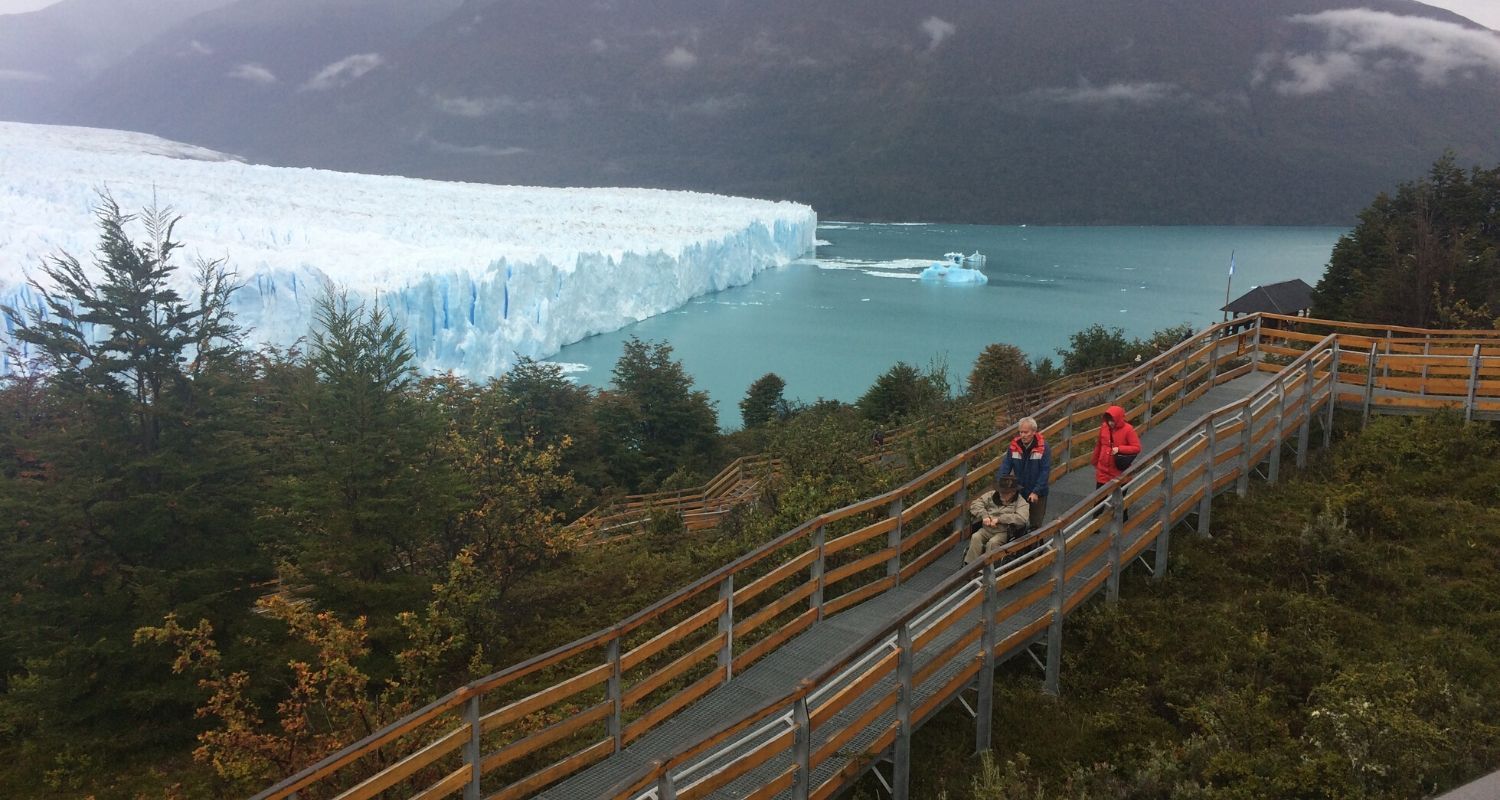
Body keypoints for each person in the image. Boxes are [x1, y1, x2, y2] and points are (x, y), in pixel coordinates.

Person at [963, 474, 1029, 565]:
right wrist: (984, 515)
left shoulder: (1021, 502)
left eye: (1006, 492)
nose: (1002, 494)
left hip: (1003, 532)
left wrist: (1000, 519)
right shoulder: (991, 495)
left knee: (992, 543)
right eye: (1001, 491)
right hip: (986, 529)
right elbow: (975, 504)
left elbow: (1022, 518)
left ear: (1013, 492)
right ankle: (970, 566)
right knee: (975, 537)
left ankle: (987, 569)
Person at [998, 416, 1050, 531]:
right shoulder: (1014, 446)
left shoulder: (1043, 447)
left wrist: (1036, 491)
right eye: (1021, 432)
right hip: (1020, 490)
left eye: (1026, 432)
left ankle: (1038, 546)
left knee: (1035, 524)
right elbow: (1005, 466)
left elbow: (1044, 471)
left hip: (1038, 492)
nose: (1023, 435)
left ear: (1033, 432)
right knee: (1018, 522)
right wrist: (1001, 486)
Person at [1093, 404, 1141, 488]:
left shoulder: (1128, 429)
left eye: (1113, 420)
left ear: (1118, 419)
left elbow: (1137, 448)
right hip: (1103, 471)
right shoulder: (1104, 427)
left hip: (1119, 471)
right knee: (1099, 500)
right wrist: (1095, 461)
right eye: (1108, 420)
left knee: (1118, 499)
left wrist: (1119, 449)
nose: (1110, 423)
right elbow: (1099, 445)